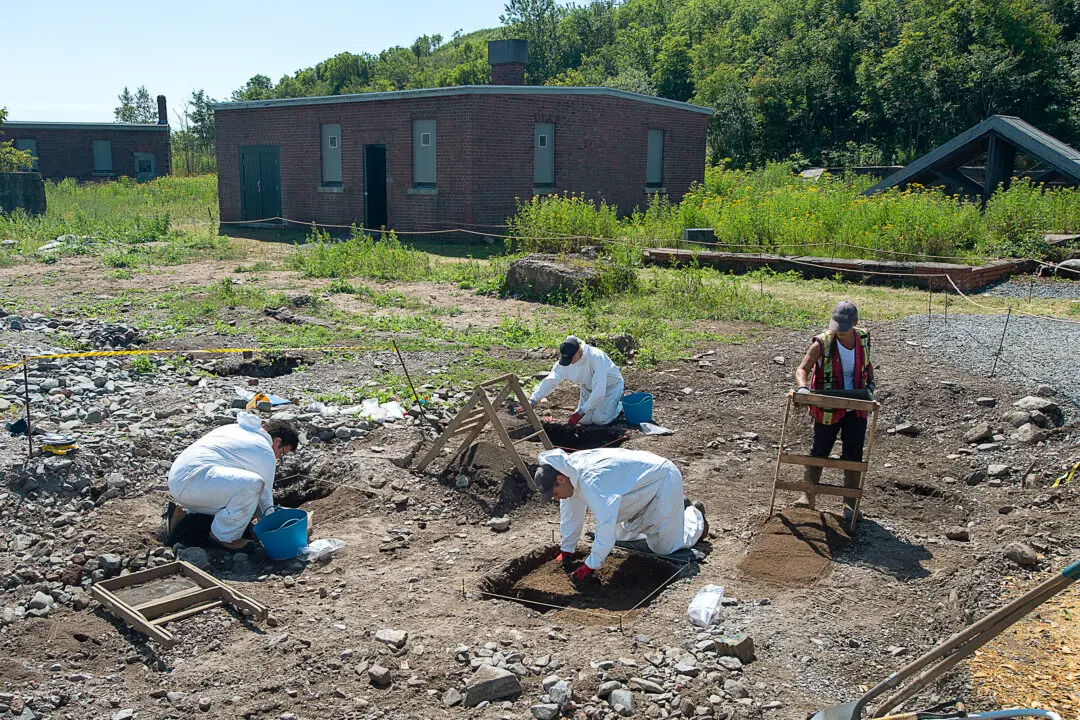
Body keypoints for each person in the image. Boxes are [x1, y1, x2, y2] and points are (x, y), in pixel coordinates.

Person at [533, 448, 707, 585]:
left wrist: (591, 565)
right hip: (638, 490)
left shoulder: (592, 481)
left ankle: (694, 515)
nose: (557, 499)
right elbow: (571, 514)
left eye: (555, 494)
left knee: (663, 547)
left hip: (663, 480)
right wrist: (567, 548)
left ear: (560, 479)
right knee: (617, 535)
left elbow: (605, 523)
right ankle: (676, 507)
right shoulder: (569, 474)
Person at [161, 412, 300, 551]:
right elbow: (265, 497)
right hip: (194, 482)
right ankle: (225, 537)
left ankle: (180, 518)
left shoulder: (236, 429)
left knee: (238, 499)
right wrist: (273, 529)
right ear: (277, 441)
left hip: (179, 479)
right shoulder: (264, 450)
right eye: (282, 453)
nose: (278, 457)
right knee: (254, 485)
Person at [793, 301, 876, 513]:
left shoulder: (863, 339)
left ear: (855, 323)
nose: (838, 331)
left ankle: (850, 503)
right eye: (836, 325)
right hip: (827, 405)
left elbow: (867, 364)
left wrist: (871, 383)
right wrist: (803, 388)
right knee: (820, 448)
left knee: (853, 453)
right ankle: (807, 495)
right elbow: (802, 369)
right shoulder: (822, 343)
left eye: (844, 327)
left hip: (856, 403)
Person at [529, 336, 624, 426]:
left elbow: (599, 391)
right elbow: (551, 380)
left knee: (600, 419)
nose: (569, 362)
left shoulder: (596, 357)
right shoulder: (567, 360)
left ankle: (619, 405)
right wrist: (533, 400)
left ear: (578, 352)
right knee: (584, 420)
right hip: (588, 387)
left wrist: (581, 411)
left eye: (571, 358)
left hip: (611, 387)